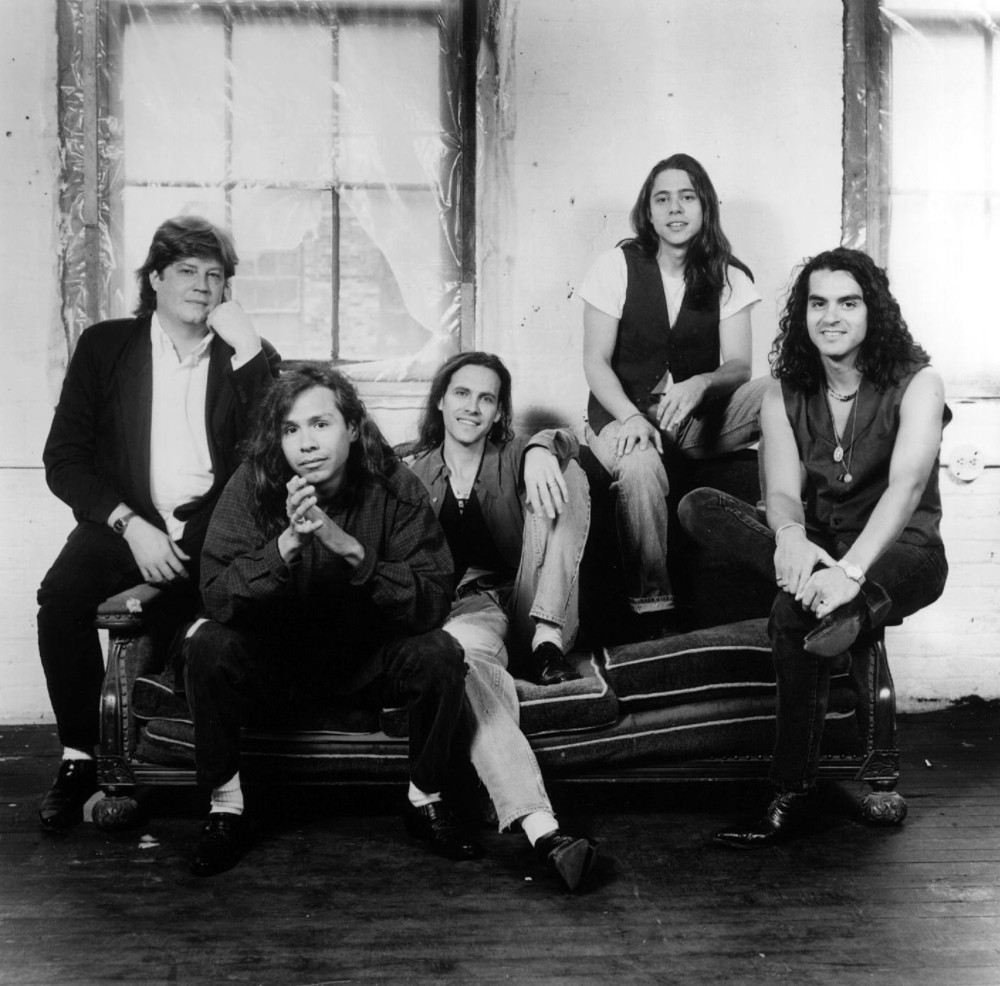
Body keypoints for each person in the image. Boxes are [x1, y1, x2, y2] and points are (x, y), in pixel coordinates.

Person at [677, 247, 949, 848]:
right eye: (817, 303)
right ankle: (837, 612)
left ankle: (800, 788)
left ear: (874, 311)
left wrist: (848, 572)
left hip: (904, 552)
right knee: (700, 506)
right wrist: (793, 540)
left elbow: (906, 489)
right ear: (802, 314)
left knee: (812, 609)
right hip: (822, 547)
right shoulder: (784, 392)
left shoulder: (919, 383)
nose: (831, 316)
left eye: (848, 303)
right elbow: (780, 490)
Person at [183, 365, 479, 876]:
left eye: (320, 424)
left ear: (353, 428)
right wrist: (286, 545)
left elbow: (433, 600)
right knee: (207, 642)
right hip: (275, 667)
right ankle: (226, 808)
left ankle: (424, 799)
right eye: (290, 429)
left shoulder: (395, 486)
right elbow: (216, 596)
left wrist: (350, 550)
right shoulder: (252, 484)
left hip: (365, 666)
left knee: (440, 652)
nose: (306, 443)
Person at [37, 215, 281, 832]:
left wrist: (250, 352)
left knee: (225, 618)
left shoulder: (246, 357)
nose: (202, 285)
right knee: (61, 599)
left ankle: (202, 760)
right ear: (155, 279)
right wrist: (130, 525)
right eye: (187, 271)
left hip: (213, 530)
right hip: (128, 524)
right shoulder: (105, 347)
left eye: (215, 275)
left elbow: (272, 459)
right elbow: (64, 460)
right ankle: (81, 755)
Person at [407, 351, 598, 891]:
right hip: (472, 608)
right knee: (463, 667)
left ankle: (547, 641)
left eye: (486, 398)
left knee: (569, 472)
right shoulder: (415, 474)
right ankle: (545, 832)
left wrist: (540, 449)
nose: (473, 407)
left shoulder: (515, 454)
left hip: (538, 600)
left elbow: (568, 440)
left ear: (498, 412)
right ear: (440, 400)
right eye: (462, 393)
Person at [581, 153, 770, 634]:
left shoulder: (729, 275)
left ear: (705, 206)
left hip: (694, 421)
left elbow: (740, 366)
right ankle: (653, 609)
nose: (675, 209)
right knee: (640, 467)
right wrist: (630, 417)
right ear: (648, 212)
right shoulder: (616, 266)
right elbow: (595, 362)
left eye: (687, 197)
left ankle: (783, 523)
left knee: (781, 390)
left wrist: (702, 382)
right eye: (662, 199)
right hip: (619, 415)